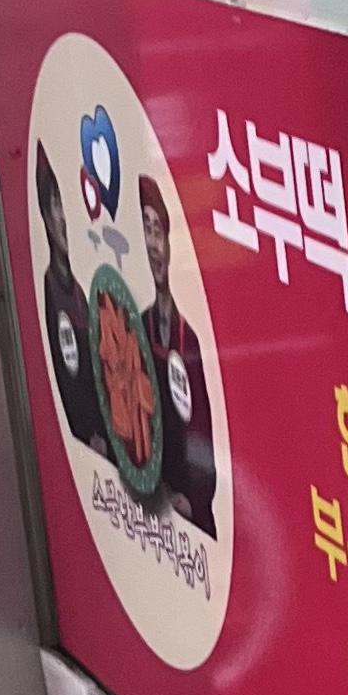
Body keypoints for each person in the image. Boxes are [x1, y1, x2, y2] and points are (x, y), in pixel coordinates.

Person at [139, 172, 220, 536]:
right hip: (153, 506)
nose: (153, 244)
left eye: (158, 231)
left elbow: (202, 435)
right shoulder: (140, 327)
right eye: (146, 229)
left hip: (191, 516)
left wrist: (193, 497)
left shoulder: (188, 339)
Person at [35, 146, 104, 456]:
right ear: (45, 216)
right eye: (55, 204)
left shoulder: (79, 292)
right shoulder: (50, 291)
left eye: (64, 202)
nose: (63, 217)